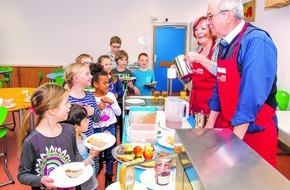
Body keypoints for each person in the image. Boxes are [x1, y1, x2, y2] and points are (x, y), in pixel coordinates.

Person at [205, 0, 278, 167]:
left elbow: (250, 98)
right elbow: (219, 86)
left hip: (254, 132)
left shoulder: (256, 41)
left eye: (210, 16)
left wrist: (233, 145)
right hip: (230, 127)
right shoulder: (224, 44)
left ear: (228, 16)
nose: (208, 22)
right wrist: (209, 125)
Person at [17, 83, 83, 189]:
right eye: (66, 103)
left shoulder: (69, 129)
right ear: (52, 111)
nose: (70, 105)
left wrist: (81, 162)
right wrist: (40, 180)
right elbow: (22, 175)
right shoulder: (31, 142)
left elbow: (75, 153)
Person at [64, 62, 102, 174]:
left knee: (93, 169)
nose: (91, 76)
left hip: (90, 141)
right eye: (87, 74)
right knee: (77, 170)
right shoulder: (66, 99)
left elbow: (98, 118)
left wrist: (92, 111)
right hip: (73, 144)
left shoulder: (90, 96)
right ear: (76, 79)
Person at [90, 63, 121, 188]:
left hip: (110, 127)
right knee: (96, 154)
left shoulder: (110, 95)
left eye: (108, 82)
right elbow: (92, 119)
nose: (107, 85)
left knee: (109, 153)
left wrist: (112, 103)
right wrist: (97, 108)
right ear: (95, 84)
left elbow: (118, 113)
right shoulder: (91, 98)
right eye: (104, 83)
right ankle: (95, 175)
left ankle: (109, 176)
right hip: (96, 129)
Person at [183, 16, 219, 115]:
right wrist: (180, 71)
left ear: (211, 30)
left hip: (213, 104)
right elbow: (187, 80)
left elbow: (220, 72)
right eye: (196, 29)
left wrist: (200, 58)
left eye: (203, 28)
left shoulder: (218, 49)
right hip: (195, 101)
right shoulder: (196, 50)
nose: (199, 32)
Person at [66, 104, 99, 190]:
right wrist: (91, 156)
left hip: (91, 179)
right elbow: (78, 168)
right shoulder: (72, 145)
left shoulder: (83, 136)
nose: (88, 121)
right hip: (83, 186)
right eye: (85, 120)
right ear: (76, 127)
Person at [96, 55, 124, 140]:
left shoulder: (115, 78)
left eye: (110, 64)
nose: (109, 66)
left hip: (112, 109)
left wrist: (117, 95)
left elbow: (121, 90)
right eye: (106, 64)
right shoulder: (95, 81)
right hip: (98, 124)